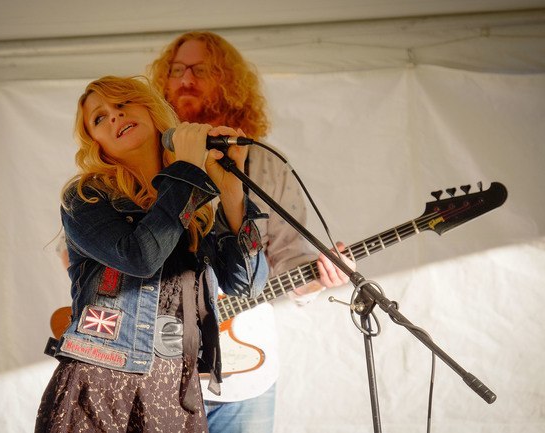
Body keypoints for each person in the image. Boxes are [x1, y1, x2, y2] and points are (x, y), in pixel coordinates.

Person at [35, 75, 269, 433]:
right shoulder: (85, 198)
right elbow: (141, 257)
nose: (114, 116)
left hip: (174, 389)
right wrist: (188, 170)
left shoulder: (194, 206)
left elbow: (248, 284)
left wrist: (232, 193)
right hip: (100, 383)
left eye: (123, 103)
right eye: (100, 118)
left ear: (152, 111)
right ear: (96, 143)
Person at [149, 32, 355, 433]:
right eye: (176, 70)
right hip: (156, 372)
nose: (185, 79)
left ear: (227, 83)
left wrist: (323, 275)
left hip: (245, 378)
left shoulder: (265, 166)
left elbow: (288, 260)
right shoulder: (143, 158)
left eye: (200, 70)